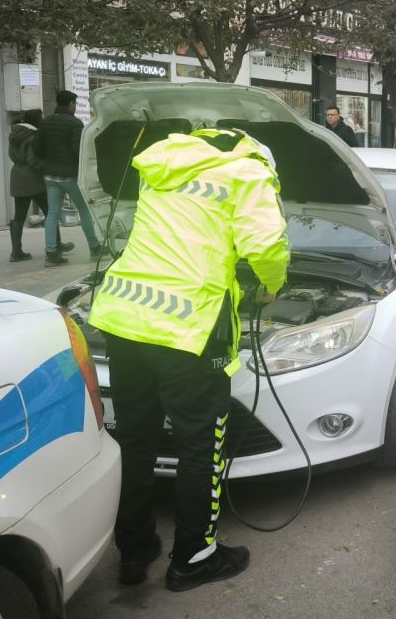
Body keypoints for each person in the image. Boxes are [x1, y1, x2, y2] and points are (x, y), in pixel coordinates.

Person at [88, 127, 289, 593]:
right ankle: (194, 558)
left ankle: (134, 552)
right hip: (187, 329)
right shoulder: (249, 172)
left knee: (135, 440)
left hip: (123, 317)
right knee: (200, 446)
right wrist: (272, 283)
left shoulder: (165, 163)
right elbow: (266, 246)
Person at [35, 90, 102, 266]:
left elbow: (37, 150)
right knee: (84, 211)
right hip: (70, 176)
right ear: (71, 104)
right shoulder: (75, 124)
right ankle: (95, 248)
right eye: (75, 104)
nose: (75, 107)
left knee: (52, 214)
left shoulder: (45, 123)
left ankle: (51, 254)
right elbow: (77, 151)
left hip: (50, 176)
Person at [6, 109, 72, 262]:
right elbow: (33, 160)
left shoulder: (15, 134)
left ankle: (16, 251)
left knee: (19, 216)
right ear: (36, 120)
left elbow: (14, 156)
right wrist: (47, 167)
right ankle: (56, 243)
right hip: (33, 179)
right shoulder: (32, 136)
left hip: (17, 176)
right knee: (50, 211)